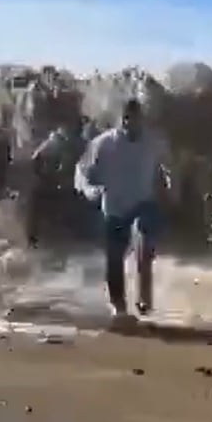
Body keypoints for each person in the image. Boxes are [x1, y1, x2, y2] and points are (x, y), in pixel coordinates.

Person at [74, 98, 171, 320]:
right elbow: (82, 171)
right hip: (115, 206)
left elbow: (168, 165)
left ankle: (144, 298)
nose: (130, 123)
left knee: (145, 246)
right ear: (120, 120)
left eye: (135, 118)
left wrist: (170, 185)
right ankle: (119, 305)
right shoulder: (104, 143)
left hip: (144, 203)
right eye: (126, 118)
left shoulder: (153, 141)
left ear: (142, 119)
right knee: (114, 258)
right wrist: (91, 190)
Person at [26, 115, 90, 247]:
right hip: (67, 185)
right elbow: (36, 159)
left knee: (35, 199)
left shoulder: (59, 141)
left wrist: (45, 175)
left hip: (65, 185)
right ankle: (33, 236)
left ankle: (33, 237)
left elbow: (35, 158)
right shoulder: (69, 142)